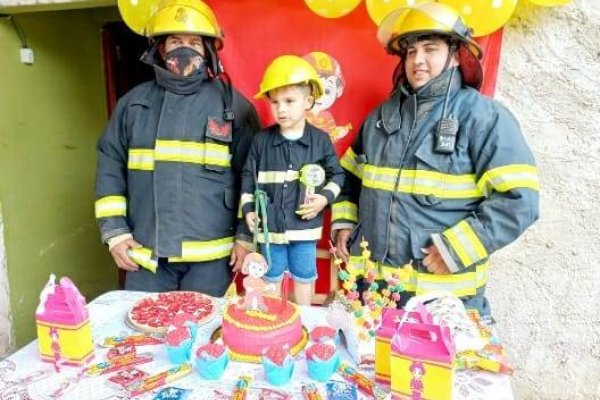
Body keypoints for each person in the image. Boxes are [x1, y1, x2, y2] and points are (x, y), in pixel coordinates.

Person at [332, 2, 539, 318]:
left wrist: (456, 248)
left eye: (430, 49)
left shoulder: (484, 118)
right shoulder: (379, 118)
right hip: (372, 302)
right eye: (411, 51)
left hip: (444, 309)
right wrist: (345, 222)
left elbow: (519, 201)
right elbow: (347, 177)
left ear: (456, 55)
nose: (418, 60)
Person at [95, 0, 260, 296]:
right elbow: (110, 168)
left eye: (194, 42)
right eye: (175, 40)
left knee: (205, 335)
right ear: (160, 48)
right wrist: (115, 233)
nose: (184, 49)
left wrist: (246, 237)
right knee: (144, 335)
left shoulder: (233, 106)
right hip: (147, 258)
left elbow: (253, 177)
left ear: (207, 50)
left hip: (212, 260)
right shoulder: (133, 105)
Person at [240, 55, 345, 305]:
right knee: (271, 278)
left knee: (304, 277)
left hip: (305, 230)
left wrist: (323, 199)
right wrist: (247, 210)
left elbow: (338, 175)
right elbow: (247, 176)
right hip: (269, 230)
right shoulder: (260, 141)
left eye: (289, 101)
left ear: (308, 101)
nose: (281, 109)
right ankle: (277, 323)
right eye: (275, 102)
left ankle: (304, 322)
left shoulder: (320, 140)